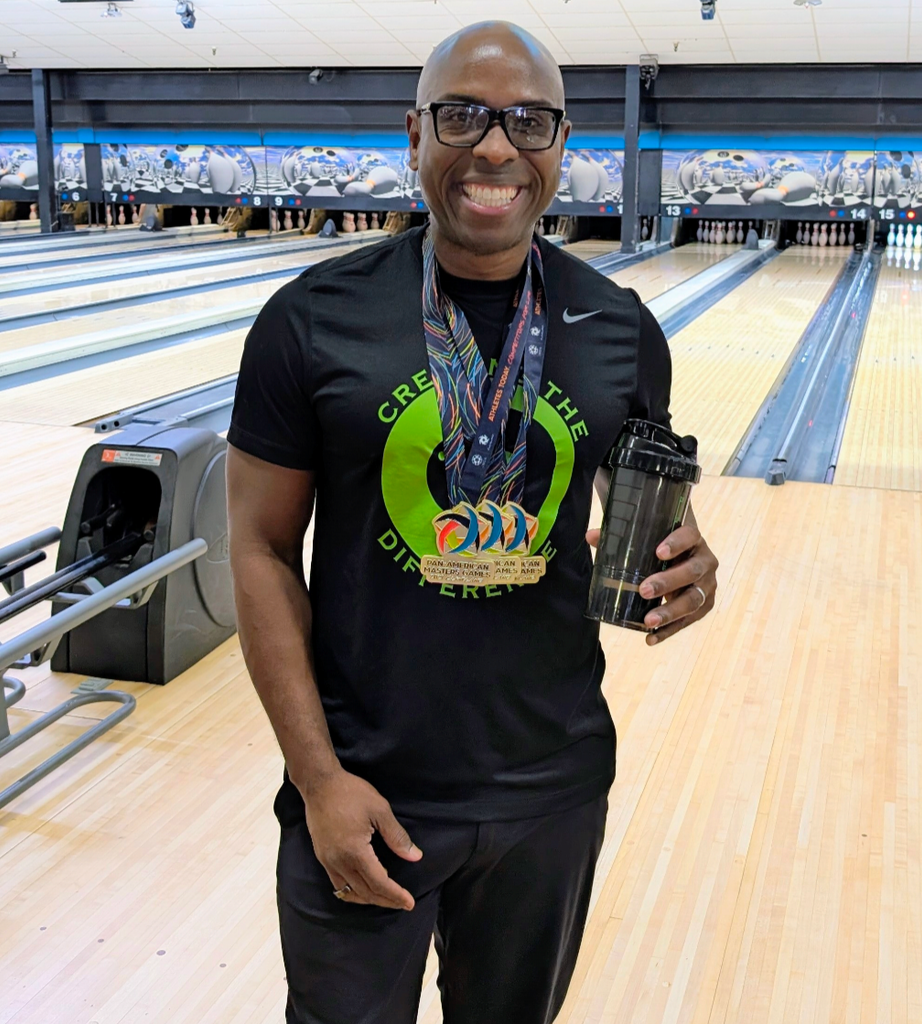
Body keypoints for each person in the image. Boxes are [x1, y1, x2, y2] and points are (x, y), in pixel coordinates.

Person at [226, 20, 718, 1024]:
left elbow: (650, 519)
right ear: (415, 133)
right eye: (464, 115)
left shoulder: (621, 328)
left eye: (527, 121)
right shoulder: (308, 319)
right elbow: (261, 549)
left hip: (551, 787)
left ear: (560, 145)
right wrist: (319, 780)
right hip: (363, 789)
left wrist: (690, 565)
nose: (496, 147)